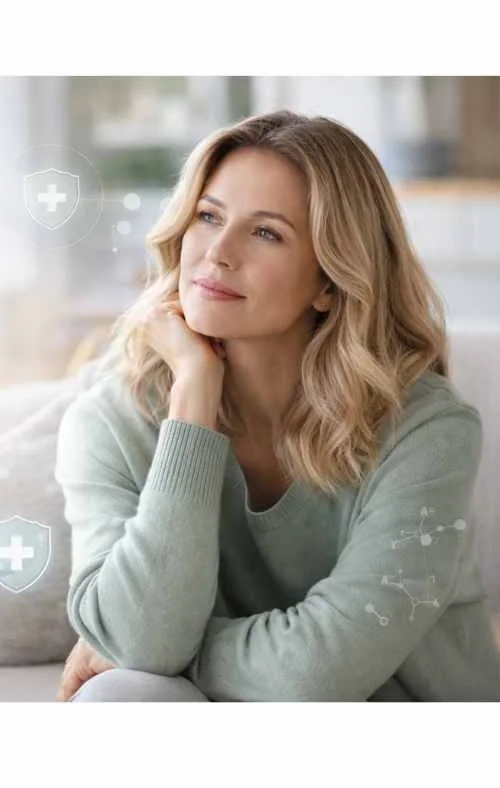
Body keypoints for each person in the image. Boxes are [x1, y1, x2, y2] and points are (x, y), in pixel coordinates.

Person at [53, 110, 500, 702]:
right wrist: (193, 396)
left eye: (265, 233)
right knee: (117, 699)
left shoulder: (425, 429)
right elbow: (139, 643)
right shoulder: (111, 420)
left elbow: (316, 674)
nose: (218, 253)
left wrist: (176, 653)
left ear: (329, 282)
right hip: (228, 706)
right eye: (208, 217)